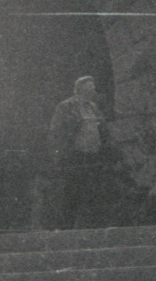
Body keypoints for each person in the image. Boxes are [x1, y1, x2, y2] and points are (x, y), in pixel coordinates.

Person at [34, 75, 106, 229]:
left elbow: (102, 129)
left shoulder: (93, 107)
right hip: (75, 157)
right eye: (90, 87)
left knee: (92, 192)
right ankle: (66, 227)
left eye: (93, 87)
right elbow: (56, 132)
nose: (93, 90)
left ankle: (89, 226)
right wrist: (61, 154)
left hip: (93, 156)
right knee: (71, 192)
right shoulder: (66, 106)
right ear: (81, 89)